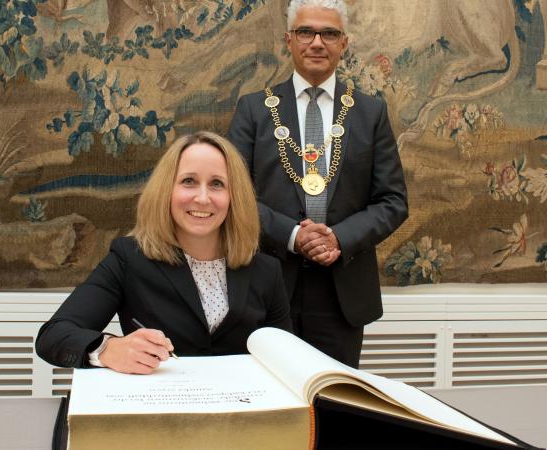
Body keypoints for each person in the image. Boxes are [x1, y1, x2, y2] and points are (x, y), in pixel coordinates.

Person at [227, 0, 408, 368]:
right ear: (288, 40)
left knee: (336, 405)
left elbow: (393, 201)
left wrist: (338, 238)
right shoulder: (254, 110)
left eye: (329, 33)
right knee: (270, 405)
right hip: (268, 281)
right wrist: (295, 236)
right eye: (306, 32)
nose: (317, 42)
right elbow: (233, 197)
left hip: (342, 290)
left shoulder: (370, 113)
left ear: (344, 43)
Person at [36, 131, 292, 374]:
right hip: (159, 414)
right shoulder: (128, 258)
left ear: (234, 196)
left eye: (217, 184)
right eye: (188, 181)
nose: (203, 198)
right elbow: (53, 336)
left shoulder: (267, 271)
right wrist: (107, 349)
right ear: (166, 191)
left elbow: (285, 360)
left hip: (245, 415)